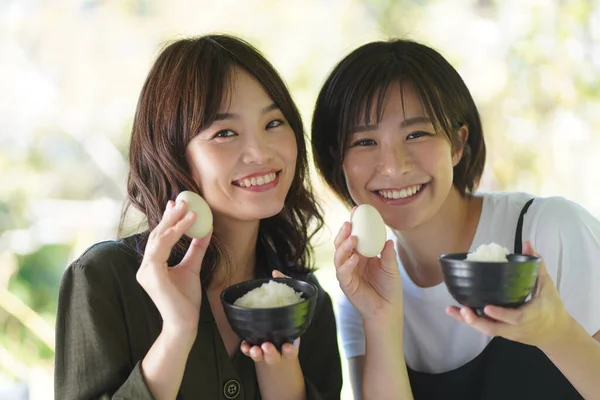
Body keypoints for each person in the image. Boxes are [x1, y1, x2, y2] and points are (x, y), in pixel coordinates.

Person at [55, 34, 342, 400]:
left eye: (273, 123)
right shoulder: (104, 279)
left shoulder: (306, 301)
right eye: (225, 132)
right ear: (172, 155)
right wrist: (177, 332)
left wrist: (281, 376)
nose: (260, 152)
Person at [311, 38, 600, 400]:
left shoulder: (549, 231)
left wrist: (557, 334)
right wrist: (381, 319)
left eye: (416, 134)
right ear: (339, 160)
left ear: (458, 144)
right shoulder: (363, 295)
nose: (393, 165)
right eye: (365, 142)